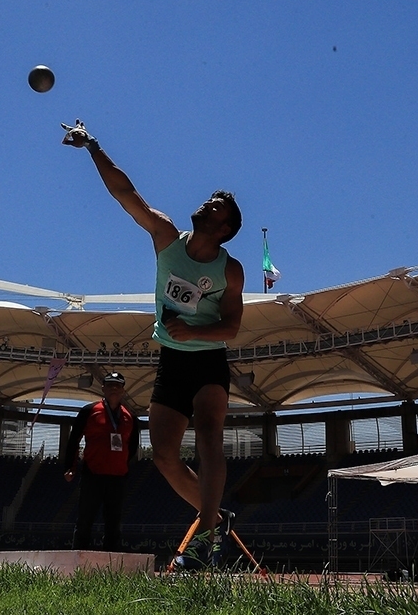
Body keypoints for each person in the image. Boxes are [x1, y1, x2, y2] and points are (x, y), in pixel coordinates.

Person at [63, 120, 245, 570]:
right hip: (171, 362)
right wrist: (93, 146)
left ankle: (203, 541)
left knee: (207, 435)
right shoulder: (166, 237)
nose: (203, 206)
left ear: (224, 229)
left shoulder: (231, 270)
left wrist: (194, 333)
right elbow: (126, 195)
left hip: (207, 362)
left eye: (214, 208)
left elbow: (232, 329)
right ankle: (216, 521)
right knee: (163, 455)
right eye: (207, 201)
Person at [63, 371, 138, 552]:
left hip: (117, 478)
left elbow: (133, 446)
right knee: (85, 521)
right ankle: (78, 560)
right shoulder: (90, 411)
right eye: (110, 385)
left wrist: (123, 465)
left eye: (118, 385)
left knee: (113, 523)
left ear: (123, 390)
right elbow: (74, 440)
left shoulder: (131, 417)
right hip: (93, 475)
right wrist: (69, 467)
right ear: (103, 388)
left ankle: (111, 564)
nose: (114, 388)